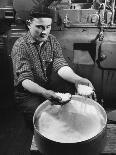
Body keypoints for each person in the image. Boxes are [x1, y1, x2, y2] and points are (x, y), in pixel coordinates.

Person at [11, 6, 94, 127]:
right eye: (39, 27)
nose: (44, 32)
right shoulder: (20, 46)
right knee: (40, 120)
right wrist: (44, 92)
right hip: (26, 93)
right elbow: (25, 80)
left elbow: (60, 65)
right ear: (29, 24)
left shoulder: (52, 41)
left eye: (48, 27)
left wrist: (78, 79)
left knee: (68, 106)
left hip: (46, 86)